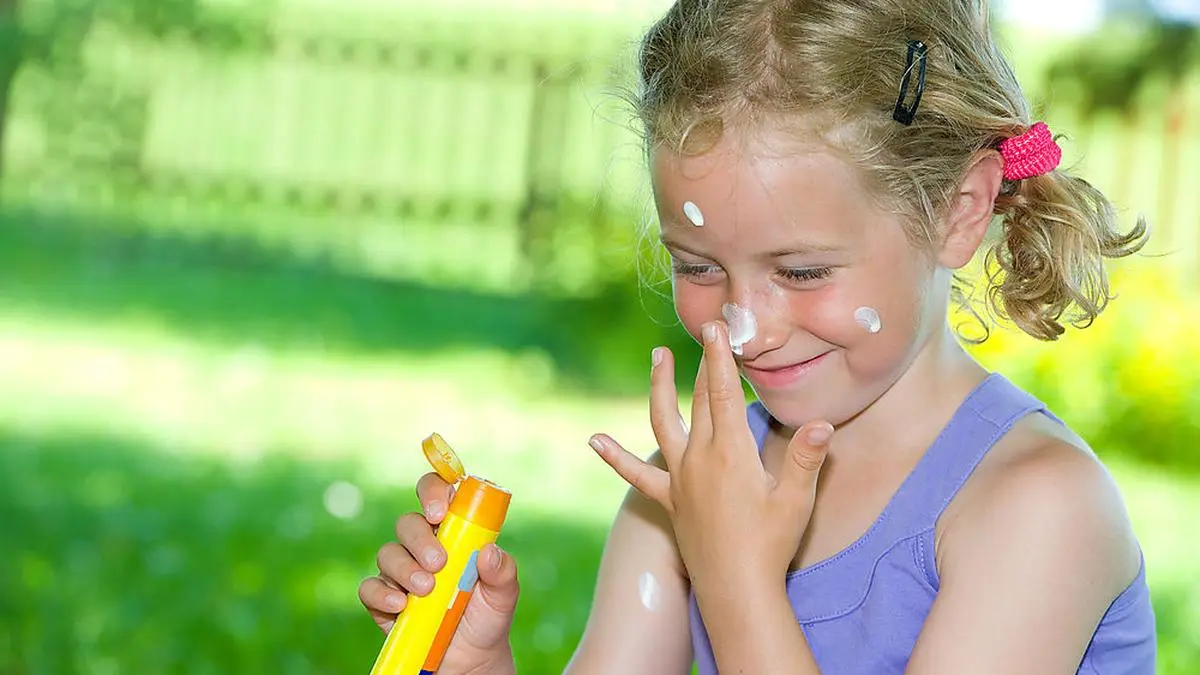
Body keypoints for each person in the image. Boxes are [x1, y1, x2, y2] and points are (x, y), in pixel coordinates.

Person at [359, 0, 1158, 672]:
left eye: (802, 271)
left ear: (959, 211)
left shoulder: (1038, 507)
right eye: (698, 266)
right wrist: (472, 662)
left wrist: (735, 577)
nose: (745, 326)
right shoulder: (689, 490)